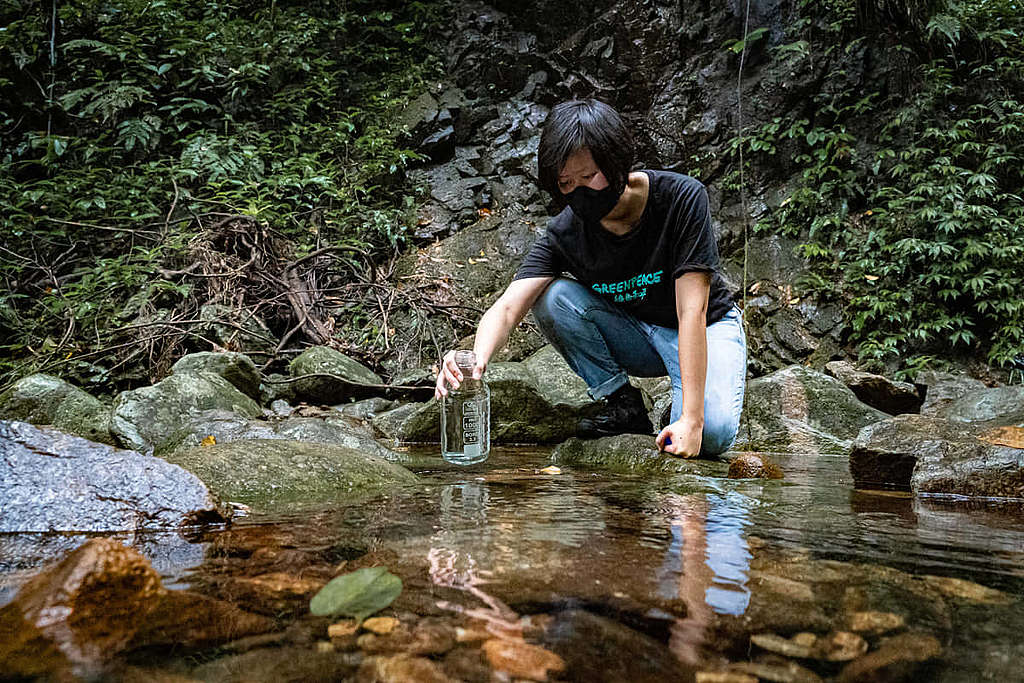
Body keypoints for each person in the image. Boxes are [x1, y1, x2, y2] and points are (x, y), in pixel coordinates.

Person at [434, 99, 746, 457]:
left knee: (713, 435)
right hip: (636, 333)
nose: (580, 191)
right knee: (551, 297)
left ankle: (680, 409)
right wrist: (473, 362)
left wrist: (691, 420)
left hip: (704, 328)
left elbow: (693, 309)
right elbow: (507, 307)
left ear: (615, 165)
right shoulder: (566, 233)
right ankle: (622, 404)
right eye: (566, 182)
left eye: (589, 177)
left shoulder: (681, 198)